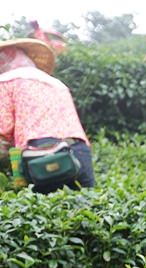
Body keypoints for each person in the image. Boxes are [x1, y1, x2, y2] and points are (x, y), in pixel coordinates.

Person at [0, 39, 95, 193]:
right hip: (79, 149)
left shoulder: (6, 82)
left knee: (46, 207)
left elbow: (3, 128)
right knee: (89, 205)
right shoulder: (56, 83)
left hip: (41, 151)